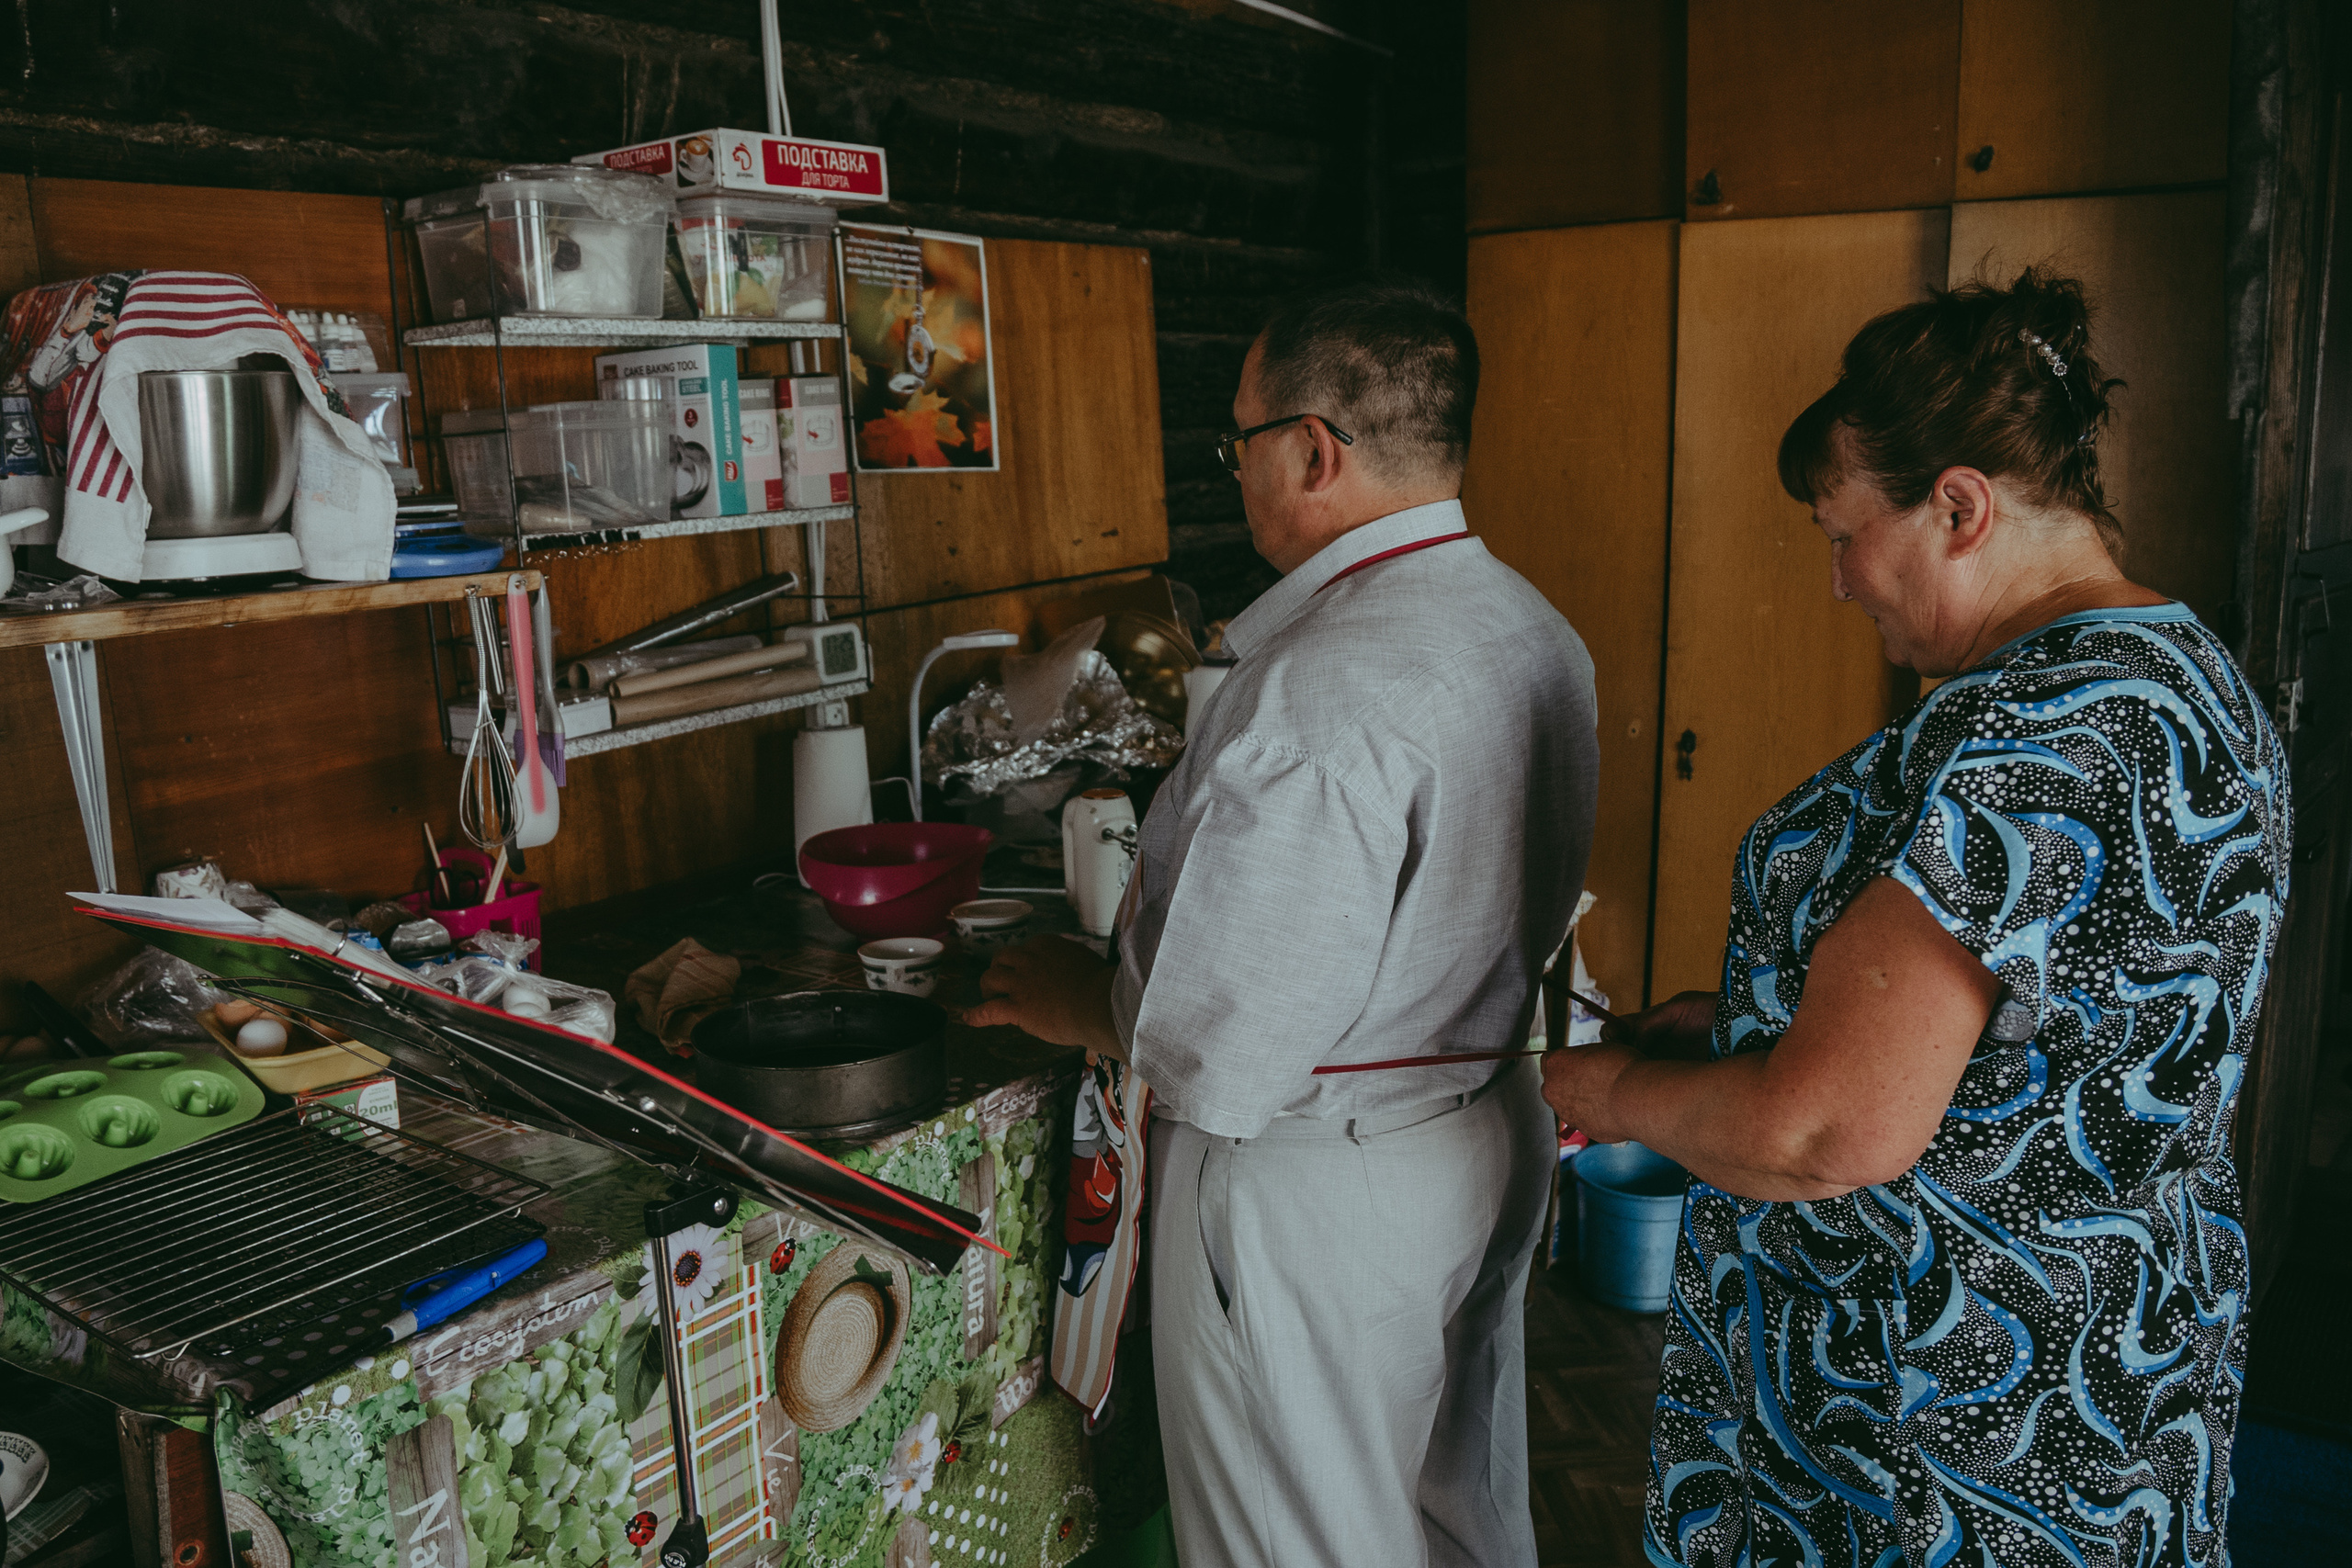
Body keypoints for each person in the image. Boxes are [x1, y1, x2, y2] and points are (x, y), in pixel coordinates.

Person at [1543, 269, 2292, 1568]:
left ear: (1959, 507)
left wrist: (1601, 1089)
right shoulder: (2186, 674)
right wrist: (1756, 1022)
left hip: (1945, 1408)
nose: (1839, 582)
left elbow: (1828, 1129)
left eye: (1843, 534)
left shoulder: (2033, 739)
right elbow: (2061, 1032)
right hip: (2115, 1364)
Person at [966, 278, 1599, 1566]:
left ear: (1313, 451)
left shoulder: (1319, 693)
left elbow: (1224, 1047)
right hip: (1481, 1126)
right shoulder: (1529, 628)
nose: (1238, 471)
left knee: (1299, 1542)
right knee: (1454, 1507)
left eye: (1240, 443)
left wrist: (1080, 999)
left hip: (1322, 1189)